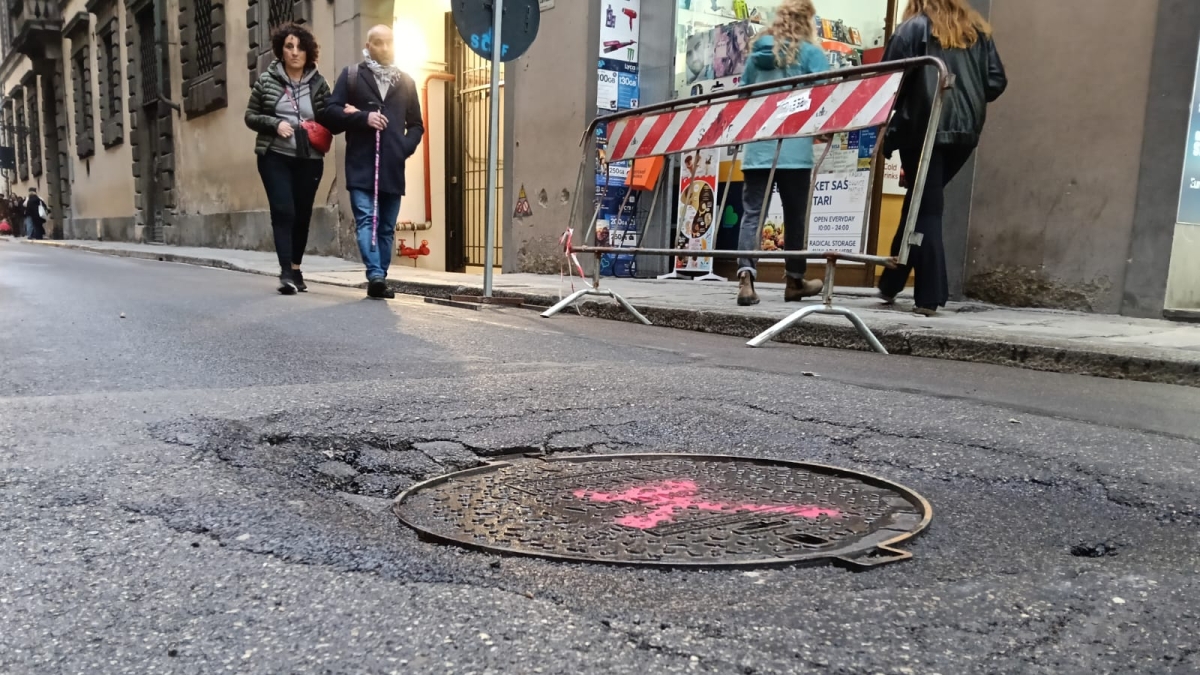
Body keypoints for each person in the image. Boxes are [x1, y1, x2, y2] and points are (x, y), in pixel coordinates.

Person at [878, 0, 1006, 316]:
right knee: (920, 201)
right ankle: (892, 281)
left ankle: (930, 293)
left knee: (928, 209)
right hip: (965, 131)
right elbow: (995, 82)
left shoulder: (914, 28)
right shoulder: (977, 31)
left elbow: (886, 81)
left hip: (922, 127)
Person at [734, 0, 828, 306]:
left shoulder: (755, 57)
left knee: (752, 216)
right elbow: (826, 95)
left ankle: (746, 281)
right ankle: (795, 281)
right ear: (806, 22)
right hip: (795, 150)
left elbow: (743, 96)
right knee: (795, 217)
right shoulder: (811, 54)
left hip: (758, 149)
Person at [323, 24, 424, 300]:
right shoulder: (353, 76)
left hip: (392, 166)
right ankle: (375, 275)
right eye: (378, 43)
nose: (385, 48)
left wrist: (403, 147)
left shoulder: (406, 81)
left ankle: (380, 277)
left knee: (387, 228)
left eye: (389, 42)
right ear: (368, 47)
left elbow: (416, 125)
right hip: (361, 163)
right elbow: (330, 114)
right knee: (367, 218)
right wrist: (362, 117)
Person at [244, 22, 333, 295]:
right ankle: (285, 274)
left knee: (302, 214)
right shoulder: (266, 81)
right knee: (284, 212)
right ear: (281, 51)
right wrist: (274, 124)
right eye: (289, 47)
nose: (295, 52)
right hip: (275, 156)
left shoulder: (319, 84)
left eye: (300, 47)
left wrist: (347, 112)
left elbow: (330, 116)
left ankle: (296, 267)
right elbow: (250, 116)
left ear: (308, 52)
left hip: (309, 158)